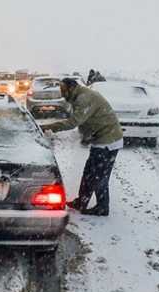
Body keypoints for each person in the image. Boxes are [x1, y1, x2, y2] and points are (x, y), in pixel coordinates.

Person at [40, 78, 123, 216]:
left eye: (63, 89)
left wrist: (48, 127)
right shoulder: (79, 96)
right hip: (100, 139)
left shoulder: (83, 98)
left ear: (71, 88)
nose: (61, 93)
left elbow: (74, 122)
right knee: (89, 173)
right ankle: (81, 201)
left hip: (108, 141)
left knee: (99, 177)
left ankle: (102, 207)